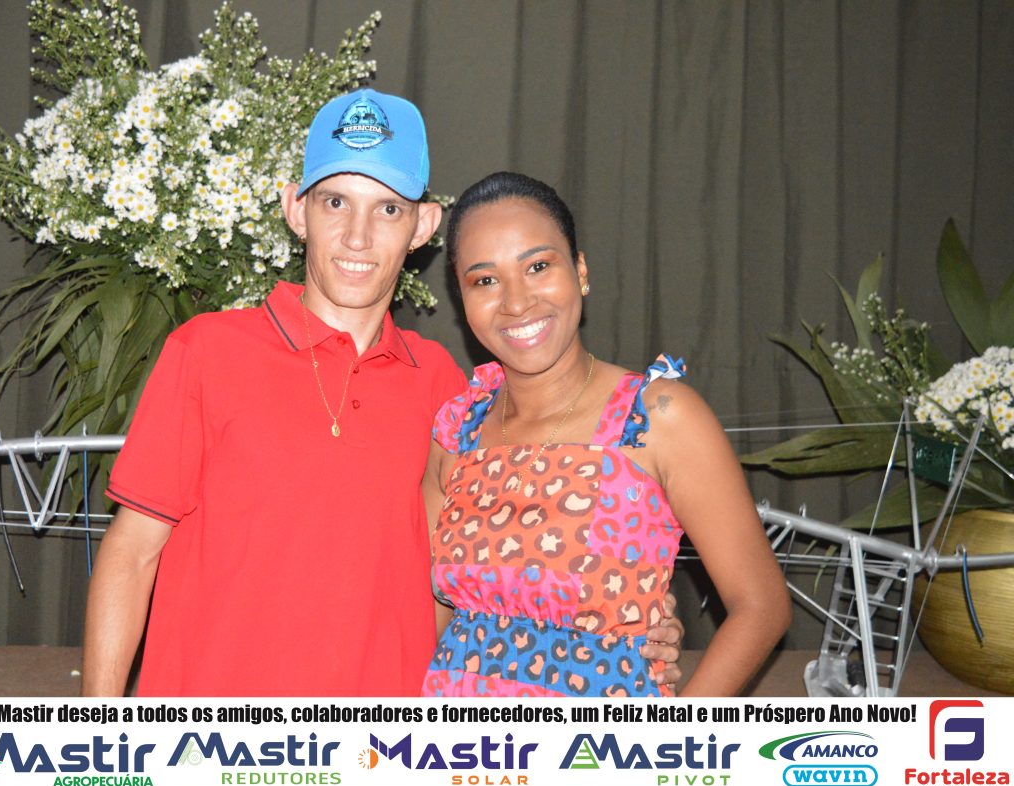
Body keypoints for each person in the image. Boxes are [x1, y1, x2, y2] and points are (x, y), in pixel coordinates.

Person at [82, 90, 683, 697]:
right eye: (335, 202)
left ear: (423, 226)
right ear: (296, 210)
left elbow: (520, 552)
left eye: (388, 209)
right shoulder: (208, 351)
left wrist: (627, 617)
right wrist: (101, 736)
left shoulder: (449, 390)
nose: (357, 236)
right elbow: (131, 554)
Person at [422, 172, 790, 698]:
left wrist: (672, 739)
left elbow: (761, 606)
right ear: (461, 298)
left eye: (538, 266)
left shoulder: (657, 417)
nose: (516, 302)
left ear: (581, 272)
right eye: (485, 280)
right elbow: (428, 618)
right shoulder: (457, 430)